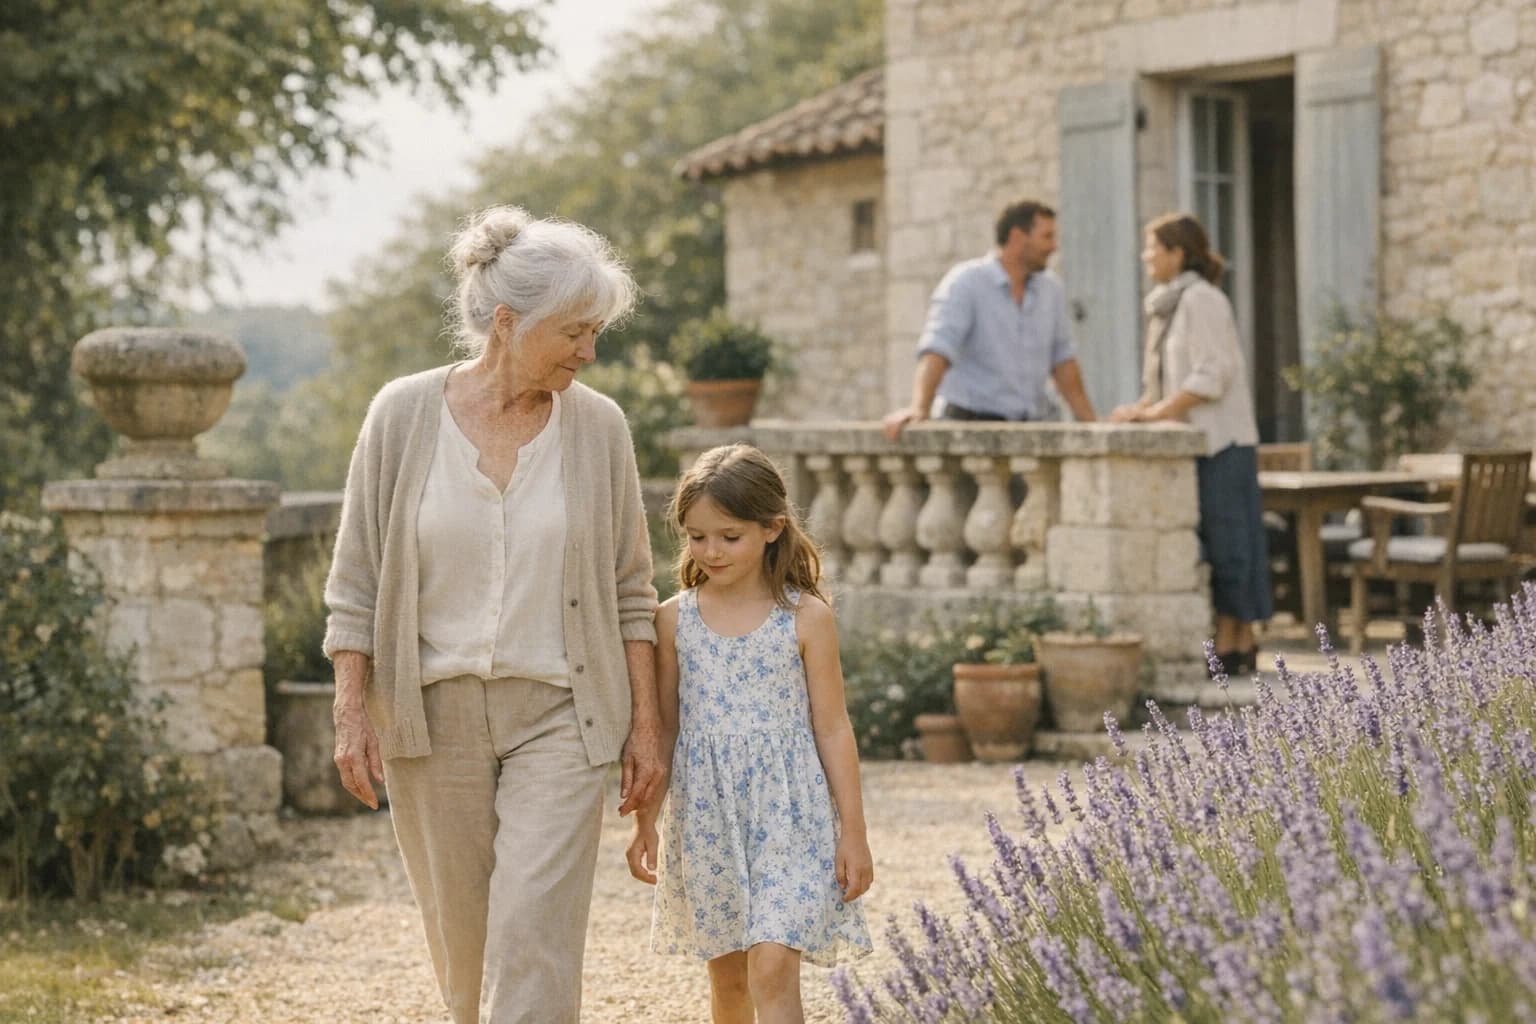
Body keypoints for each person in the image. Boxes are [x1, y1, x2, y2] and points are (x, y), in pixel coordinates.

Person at [323, 205, 663, 1023]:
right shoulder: (401, 416)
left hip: (562, 713)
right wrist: (349, 710)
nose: (590, 350)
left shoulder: (599, 428)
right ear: (508, 324)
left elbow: (631, 589)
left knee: (533, 931)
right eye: (575, 332)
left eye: (595, 332)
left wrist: (647, 727)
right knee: (465, 944)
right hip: (430, 717)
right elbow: (356, 581)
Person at [626, 443, 873, 1023]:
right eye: (696, 536)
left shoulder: (806, 617)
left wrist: (854, 834)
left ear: (772, 528)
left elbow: (834, 728)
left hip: (792, 815)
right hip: (708, 819)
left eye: (728, 536)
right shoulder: (673, 620)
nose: (710, 551)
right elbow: (663, 729)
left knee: (772, 967)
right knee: (732, 984)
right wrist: (645, 821)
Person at [1109, 212, 1272, 675]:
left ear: (1177, 253)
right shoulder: (1167, 307)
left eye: (1152, 247)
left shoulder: (1203, 300)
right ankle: (1234, 641)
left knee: (1231, 545)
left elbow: (1211, 376)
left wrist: (1157, 413)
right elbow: (1167, 383)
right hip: (1193, 447)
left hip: (1223, 442)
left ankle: (1235, 641)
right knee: (1214, 544)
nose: (1145, 256)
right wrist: (1140, 409)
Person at [882, 198, 1097, 439]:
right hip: (969, 433)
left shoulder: (1051, 290)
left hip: (1030, 434)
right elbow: (938, 349)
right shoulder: (965, 283)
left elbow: (1063, 363)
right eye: (1046, 237)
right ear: (1017, 237)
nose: (1054, 246)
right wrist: (919, 409)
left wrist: (1093, 428)